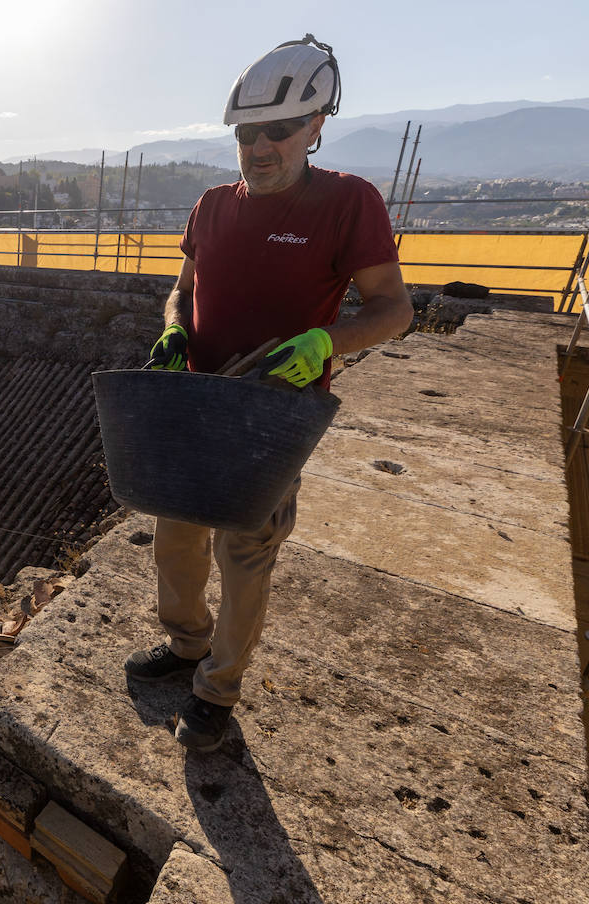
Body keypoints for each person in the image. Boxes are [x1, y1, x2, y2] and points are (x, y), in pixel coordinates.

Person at [123, 35, 414, 753]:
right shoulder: (212, 206)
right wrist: (173, 332)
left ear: (317, 125)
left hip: (271, 418)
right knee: (176, 543)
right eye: (247, 133)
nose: (258, 147)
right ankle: (187, 645)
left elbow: (394, 310)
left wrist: (323, 343)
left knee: (246, 556)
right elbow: (183, 291)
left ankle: (217, 691)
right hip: (196, 403)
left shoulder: (348, 204)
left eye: (277, 132)